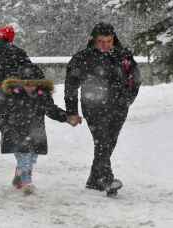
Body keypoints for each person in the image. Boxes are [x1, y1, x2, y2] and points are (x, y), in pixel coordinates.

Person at [64, 22, 141, 196]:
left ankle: (94, 178)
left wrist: (128, 99)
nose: (105, 45)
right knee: (102, 140)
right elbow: (71, 86)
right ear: (93, 40)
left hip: (119, 106)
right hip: (93, 106)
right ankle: (107, 179)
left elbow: (135, 79)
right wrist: (72, 111)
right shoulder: (82, 58)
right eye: (101, 41)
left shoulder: (124, 56)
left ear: (114, 39)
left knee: (109, 142)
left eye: (108, 41)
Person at [0, 74, 81, 195]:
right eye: (26, 84)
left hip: (35, 133)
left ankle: (19, 174)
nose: (30, 87)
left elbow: (52, 111)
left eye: (33, 84)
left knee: (32, 158)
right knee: (24, 158)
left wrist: (67, 118)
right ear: (20, 82)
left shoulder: (42, 96)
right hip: (15, 133)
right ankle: (27, 183)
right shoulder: (12, 95)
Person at [0, 25, 45, 133]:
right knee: (11, 108)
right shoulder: (18, 51)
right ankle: (6, 130)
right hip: (12, 85)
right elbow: (30, 67)